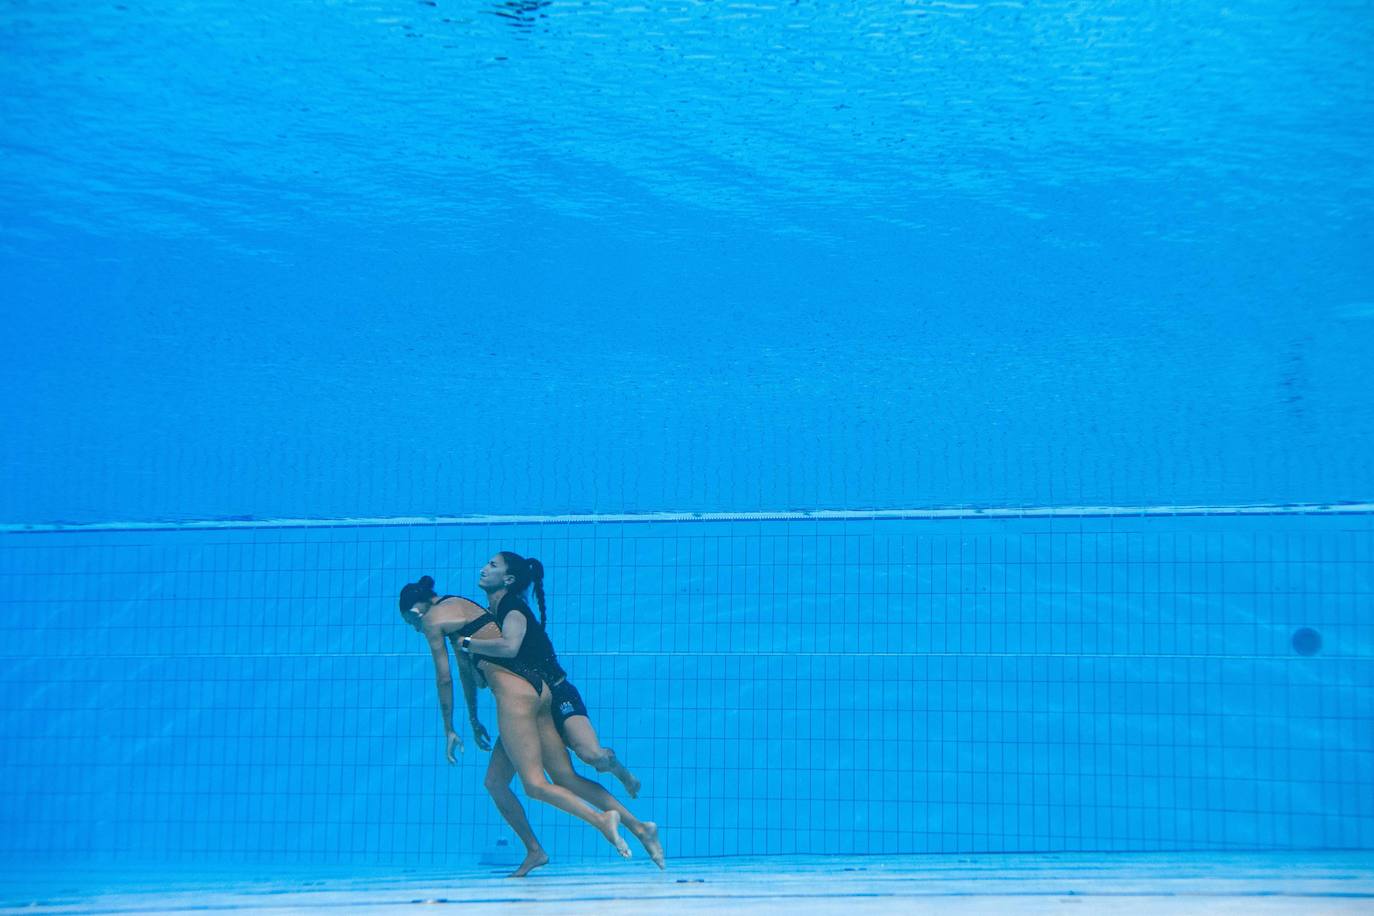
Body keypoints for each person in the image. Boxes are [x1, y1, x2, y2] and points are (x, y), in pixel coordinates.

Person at [397, 574, 633, 865]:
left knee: (535, 784)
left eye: (413, 625)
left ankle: (602, 820)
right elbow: (466, 673)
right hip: (538, 689)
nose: (419, 630)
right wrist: (472, 718)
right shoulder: (460, 607)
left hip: (515, 697)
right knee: (502, 781)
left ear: (415, 611)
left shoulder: (433, 620)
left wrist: (449, 729)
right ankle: (536, 850)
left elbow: (444, 679)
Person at [463, 552, 665, 875]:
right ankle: (639, 829)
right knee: (521, 781)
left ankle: (622, 774)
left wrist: (468, 645)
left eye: (493, 566)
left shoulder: (511, 608)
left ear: (509, 579)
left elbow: (511, 647)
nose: (484, 568)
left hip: (557, 693)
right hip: (528, 705)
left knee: (593, 757)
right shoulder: (490, 615)